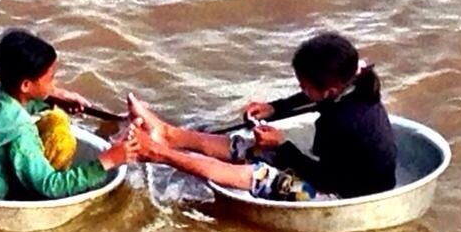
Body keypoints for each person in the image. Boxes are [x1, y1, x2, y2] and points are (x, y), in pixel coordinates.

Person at [129, 31, 397, 201]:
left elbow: (326, 179)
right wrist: (275, 108)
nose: (301, 90)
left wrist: (282, 146)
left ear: (331, 89)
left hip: (346, 195)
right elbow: (314, 97)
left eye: (304, 85)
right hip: (341, 171)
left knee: (257, 174)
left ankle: (158, 153)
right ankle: (168, 134)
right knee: (246, 145)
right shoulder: (354, 80)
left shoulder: (343, 122)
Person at [0, 28, 138, 200]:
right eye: (50, 79)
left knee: (58, 118)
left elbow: (18, 104)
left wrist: (55, 97)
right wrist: (108, 160)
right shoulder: (20, 132)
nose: (54, 84)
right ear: (26, 85)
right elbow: (50, 185)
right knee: (63, 141)